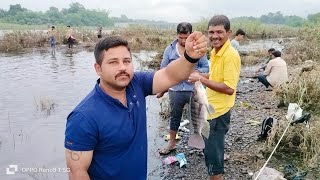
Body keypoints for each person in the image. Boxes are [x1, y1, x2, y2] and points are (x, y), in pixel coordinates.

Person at [64, 33, 207, 180]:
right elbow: (77, 173)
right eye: (113, 62)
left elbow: (171, 75)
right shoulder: (83, 118)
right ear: (98, 68)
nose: (122, 67)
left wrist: (190, 56)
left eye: (127, 61)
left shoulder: (136, 84)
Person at [188, 15, 241, 180]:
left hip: (218, 114)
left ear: (229, 32)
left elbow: (229, 88)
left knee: (214, 161)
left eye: (219, 32)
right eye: (211, 32)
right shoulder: (215, 51)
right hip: (209, 109)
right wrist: (202, 75)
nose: (215, 36)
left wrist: (201, 80)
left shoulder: (230, 55)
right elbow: (217, 76)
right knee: (210, 150)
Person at [157, 22, 209, 155]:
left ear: (191, 35)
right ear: (177, 35)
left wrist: (195, 73)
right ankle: (172, 143)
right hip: (175, 90)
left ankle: (202, 145)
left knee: (199, 117)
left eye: (186, 38)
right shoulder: (169, 49)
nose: (183, 41)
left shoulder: (198, 49)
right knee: (175, 117)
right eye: (180, 38)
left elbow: (206, 68)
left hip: (194, 90)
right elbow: (163, 69)